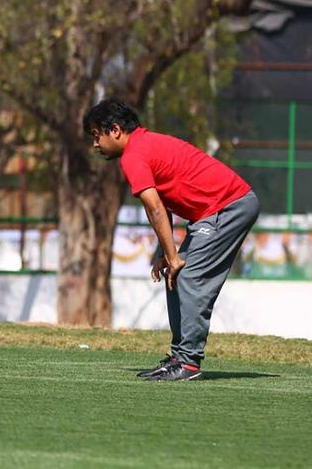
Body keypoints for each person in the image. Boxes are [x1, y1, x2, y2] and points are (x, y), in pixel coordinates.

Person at [84, 98, 259, 381]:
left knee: (188, 274)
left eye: (96, 136)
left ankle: (188, 362)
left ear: (115, 130)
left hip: (228, 206)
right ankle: (180, 358)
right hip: (213, 210)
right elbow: (161, 205)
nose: (95, 144)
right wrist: (166, 254)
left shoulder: (133, 155)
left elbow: (153, 207)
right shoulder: (143, 145)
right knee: (175, 273)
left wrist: (175, 255)